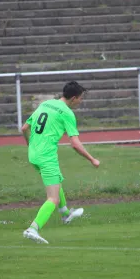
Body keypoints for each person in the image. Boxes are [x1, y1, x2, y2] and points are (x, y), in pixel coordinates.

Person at [20, 81, 100, 244]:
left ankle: (65, 215)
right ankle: (33, 228)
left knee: (56, 180)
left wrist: (30, 145)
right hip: (46, 157)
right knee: (53, 199)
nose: (81, 102)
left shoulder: (47, 103)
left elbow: (24, 128)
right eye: (80, 99)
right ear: (73, 98)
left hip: (33, 155)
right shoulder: (67, 113)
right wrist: (92, 159)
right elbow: (75, 144)